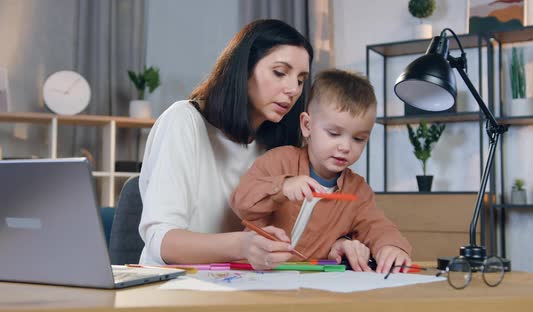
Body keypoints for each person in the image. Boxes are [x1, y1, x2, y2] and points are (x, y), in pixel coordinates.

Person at [138, 19, 315, 266]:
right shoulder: (183, 121)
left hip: (244, 285)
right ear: (243, 69)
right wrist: (242, 245)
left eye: (300, 79)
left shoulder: (278, 144)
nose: (293, 89)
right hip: (175, 286)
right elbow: (162, 241)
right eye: (279, 72)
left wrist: (340, 242)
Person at [231, 69, 412, 273]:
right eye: (334, 133)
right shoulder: (278, 161)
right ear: (307, 125)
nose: (345, 146)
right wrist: (282, 187)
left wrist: (392, 247)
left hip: (313, 281)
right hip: (258, 274)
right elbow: (241, 202)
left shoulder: (358, 190)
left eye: (359, 139)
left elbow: (377, 226)